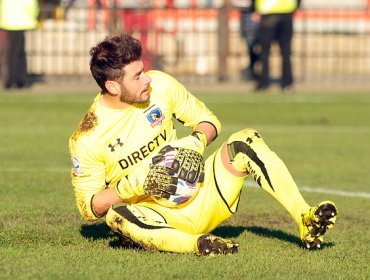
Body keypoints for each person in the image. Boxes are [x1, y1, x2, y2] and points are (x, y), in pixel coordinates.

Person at [69, 34, 337, 255]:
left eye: (144, 70)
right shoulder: (87, 137)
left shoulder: (161, 85)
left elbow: (209, 121)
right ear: (113, 87)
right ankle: (200, 245)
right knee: (117, 217)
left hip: (202, 194)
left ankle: (304, 217)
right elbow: (89, 208)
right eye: (137, 76)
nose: (147, 78)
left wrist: (196, 142)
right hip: (159, 219)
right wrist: (132, 185)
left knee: (245, 139)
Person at [251, 0, 301, 92]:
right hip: (286, 12)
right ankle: (287, 84)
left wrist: (254, 9)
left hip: (267, 13)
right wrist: (296, 7)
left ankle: (263, 83)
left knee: (264, 52)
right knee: (286, 52)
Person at [0, 0, 39, 89]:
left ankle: (15, 80)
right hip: (19, 21)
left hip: (9, 21)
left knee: (15, 52)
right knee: (18, 53)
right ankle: (16, 80)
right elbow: (32, 6)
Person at [234, 0, 260, 81]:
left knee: (261, 46)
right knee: (250, 45)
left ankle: (253, 68)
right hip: (247, 14)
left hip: (260, 14)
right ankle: (252, 69)